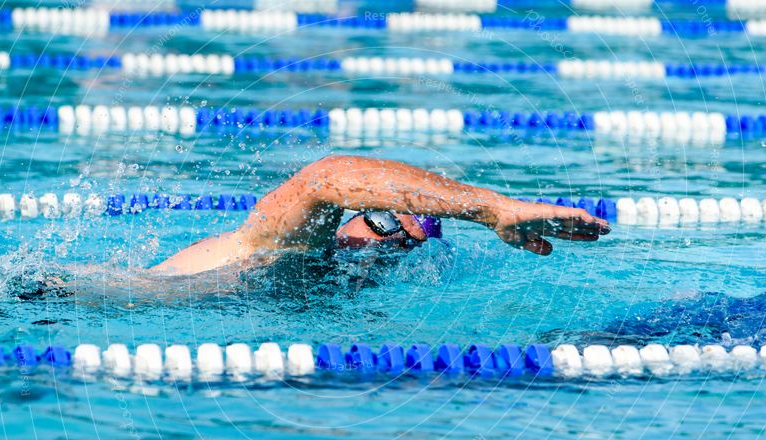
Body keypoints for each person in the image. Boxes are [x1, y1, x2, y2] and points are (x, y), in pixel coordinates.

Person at [149, 155, 611, 276]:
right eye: (385, 223)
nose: (387, 244)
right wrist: (494, 211)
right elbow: (323, 178)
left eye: (406, 246)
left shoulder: (326, 288)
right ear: (354, 213)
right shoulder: (273, 244)